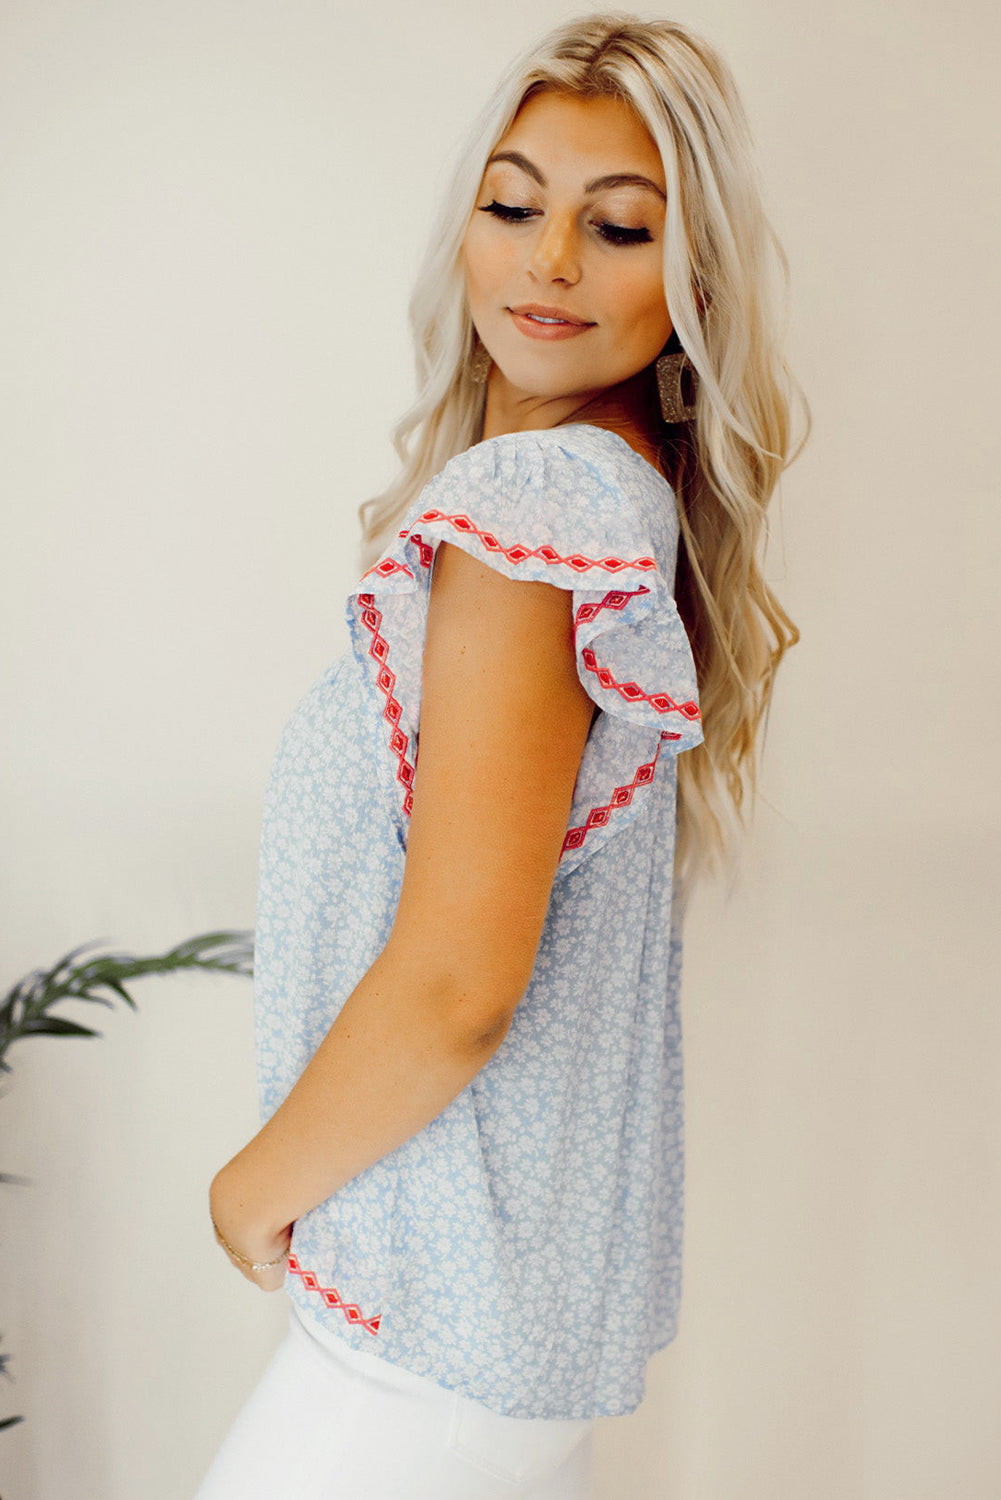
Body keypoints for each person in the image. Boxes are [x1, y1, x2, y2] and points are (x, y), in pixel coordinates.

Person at [194, 12, 808, 1498]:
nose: (545, 265)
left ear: (694, 275)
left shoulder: (536, 509)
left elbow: (463, 981)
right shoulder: (618, 505)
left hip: (417, 1361)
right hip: (484, 1355)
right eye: (513, 203)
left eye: (616, 227)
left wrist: (250, 1184)